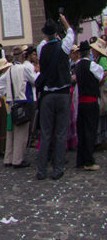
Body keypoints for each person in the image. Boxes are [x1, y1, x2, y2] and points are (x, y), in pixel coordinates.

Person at [35, 15, 74, 180]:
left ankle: (41, 169)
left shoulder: (41, 48)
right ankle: (58, 168)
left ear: (45, 33)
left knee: (46, 134)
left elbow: (45, 44)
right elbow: (71, 32)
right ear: (57, 33)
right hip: (63, 94)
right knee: (61, 133)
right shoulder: (64, 46)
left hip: (48, 95)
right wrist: (64, 21)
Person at [0, 47, 36, 168]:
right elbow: (34, 81)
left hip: (10, 103)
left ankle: (8, 158)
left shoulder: (10, 70)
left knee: (10, 131)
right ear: (23, 57)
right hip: (22, 102)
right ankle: (18, 159)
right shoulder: (24, 69)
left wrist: (7, 93)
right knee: (21, 133)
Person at [74, 41, 105, 170]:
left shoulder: (77, 66)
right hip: (91, 101)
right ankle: (89, 161)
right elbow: (100, 76)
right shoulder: (93, 65)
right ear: (89, 53)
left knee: (81, 131)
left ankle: (80, 159)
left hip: (81, 102)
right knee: (90, 131)